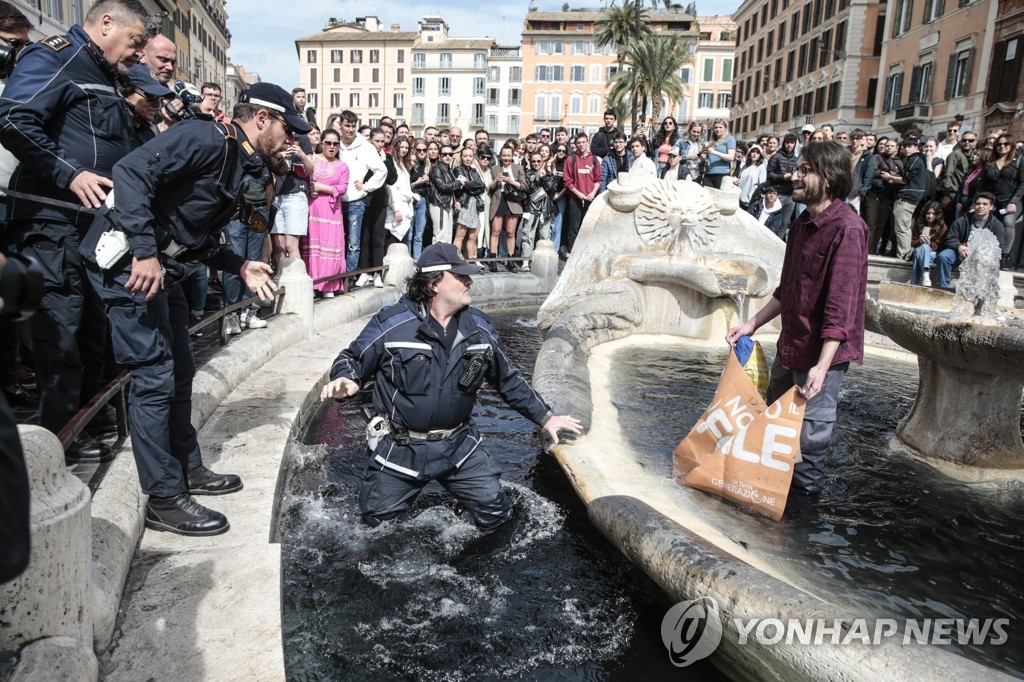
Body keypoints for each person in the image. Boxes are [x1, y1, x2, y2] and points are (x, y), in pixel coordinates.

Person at [79, 82, 305, 535]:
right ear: (262, 118)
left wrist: (239, 264)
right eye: (287, 128)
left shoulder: (237, 160)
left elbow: (194, 235)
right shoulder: (205, 139)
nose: (291, 140)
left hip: (162, 267)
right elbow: (129, 172)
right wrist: (144, 251)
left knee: (181, 369)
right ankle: (163, 498)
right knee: (154, 375)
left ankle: (187, 467)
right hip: (129, 263)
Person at [320, 243, 582, 529]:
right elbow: (352, 358)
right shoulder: (393, 326)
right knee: (375, 528)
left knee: (497, 514)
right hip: (400, 449)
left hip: (459, 447)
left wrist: (546, 417)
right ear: (434, 284)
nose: (470, 281)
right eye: (460, 276)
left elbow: (508, 379)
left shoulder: (479, 330)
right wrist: (346, 378)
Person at [0, 0, 151, 463]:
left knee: (92, 330)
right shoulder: (57, 55)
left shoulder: (106, 72)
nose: (138, 53)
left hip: (91, 227)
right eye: (136, 41)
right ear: (107, 24)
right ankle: (59, 438)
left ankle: (88, 417)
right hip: (53, 222)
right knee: (59, 333)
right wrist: (69, 173)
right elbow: (11, 118)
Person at [726, 141, 868, 495]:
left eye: (805, 170)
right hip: (791, 347)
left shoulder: (848, 229)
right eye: (798, 168)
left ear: (829, 179)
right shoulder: (802, 222)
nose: (795, 175)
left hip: (821, 358)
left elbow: (842, 306)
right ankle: (770, 501)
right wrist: (752, 324)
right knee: (772, 430)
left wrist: (821, 368)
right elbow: (786, 289)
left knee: (808, 450)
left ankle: (802, 534)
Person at [302, 128, 350, 298]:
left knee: (330, 246)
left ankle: (329, 285)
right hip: (313, 208)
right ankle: (313, 284)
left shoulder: (342, 166)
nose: (331, 147)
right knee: (313, 247)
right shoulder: (312, 160)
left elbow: (343, 188)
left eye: (335, 144)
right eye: (328, 143)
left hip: (331, 211)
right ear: (322, 143)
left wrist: (322, 187)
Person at [269, 88, 314, 263]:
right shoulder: (274, 138)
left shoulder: (302, 138)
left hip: (296, 194)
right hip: (276, 194)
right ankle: (281, 283)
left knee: (290, 245)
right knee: (278, 246)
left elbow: (311, 169)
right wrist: (279, 156)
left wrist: (301, 155)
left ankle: (296, 284)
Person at [935, 192, 1004, 287]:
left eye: (985, 204)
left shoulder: (997, 225)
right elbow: (950, 239)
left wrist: (980, 252)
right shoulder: (962, 221)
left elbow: (999, 246)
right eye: (978, 204)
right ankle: (944, 287)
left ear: (991, 207)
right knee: (943, 256)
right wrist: (959, 247)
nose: (980, 206)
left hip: (981, 258)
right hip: (961, 254)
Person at [981, 134, 1024, 268]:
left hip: (1011, 201)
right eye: (999, 144)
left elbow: (1023, 183)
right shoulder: (990, 164)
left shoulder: (1019, 161)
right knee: (988, 225)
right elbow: (983, 185)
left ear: (1011, 146)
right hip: (993, 202)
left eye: (1006, 144)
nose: (1002, 146)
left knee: (1008, 222)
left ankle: (1005, 256)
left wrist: (1014, 201)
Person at [487, 145, 526, 272]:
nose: (506, 158)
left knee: (510, 232)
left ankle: (510, 261)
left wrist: (511, 181)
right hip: (498, 201)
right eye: (504, 155)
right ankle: (492, 260)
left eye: (508, 155)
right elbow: (490, 188)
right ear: (500, 156)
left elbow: (524, 186)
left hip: (513, 202)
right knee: (496, 231)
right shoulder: (494, 168)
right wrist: (496, 180)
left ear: (513, 155)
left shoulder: (518, 168)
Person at [562, 133, 599, 255]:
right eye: (579, 143)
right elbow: (567, 181)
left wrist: (593, 193)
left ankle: (585, 252)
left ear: (587, 143)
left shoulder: (594, 159)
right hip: (575, 198)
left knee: (587, 227)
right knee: (573, 227)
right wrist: (578, 194)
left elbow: (598, 179)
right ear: (575, 144)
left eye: (583, 142)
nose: (581, 145)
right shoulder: (571, 159)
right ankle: (572, 252)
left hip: (589, 198)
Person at [452, 146, 486, 260]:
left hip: (474, 205)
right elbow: (466, 185)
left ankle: (471, 260)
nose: (468, 158)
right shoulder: (457, 169)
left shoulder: (474, 170)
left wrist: (471, 185)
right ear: (461, 157)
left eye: (470, 156)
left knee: (473, 235)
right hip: (464, 203)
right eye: (465, 156)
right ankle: (456, 260)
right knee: (460, 235)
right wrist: (473, 185)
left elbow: (482, 187)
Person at [909, 201, 948, 287]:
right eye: (928, 213)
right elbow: (912, 243)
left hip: (934, 254)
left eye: (933, 214)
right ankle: (926, 275)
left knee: (923, 250)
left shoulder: (942, 227)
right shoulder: (918, 224)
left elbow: (941, 246)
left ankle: (914, 281)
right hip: (920, 250)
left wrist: (930, 243)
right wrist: (920, 241)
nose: (930, 216)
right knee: (922, 248)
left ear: (937, 215)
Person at [735, 144, 766, 211]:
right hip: (738, 199)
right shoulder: (745, 166)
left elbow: (762, 185)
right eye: (753, 151)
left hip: (749, 202)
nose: (755, 154)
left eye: (757, 153)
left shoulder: (761, 167)